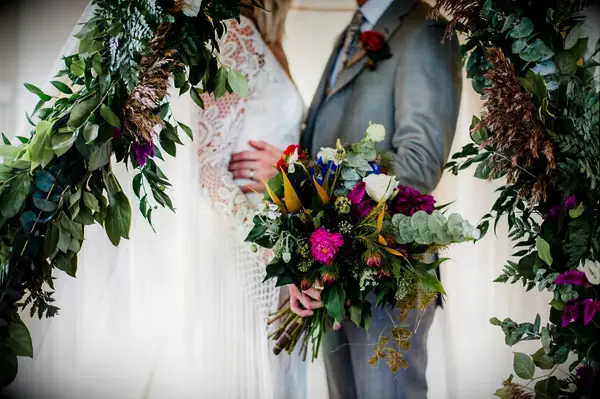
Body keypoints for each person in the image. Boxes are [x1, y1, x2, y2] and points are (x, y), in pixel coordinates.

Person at [7, 1, 306, 398]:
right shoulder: (229, 33)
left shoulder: (262, 37)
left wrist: (292, 187)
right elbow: (208, 164)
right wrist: (273, 249)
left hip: (271, 229)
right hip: (242, 242)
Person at [230, 0, 461, 398]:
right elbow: (321, 140)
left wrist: (296, 179)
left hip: (388, 278)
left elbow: (419, 168)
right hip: (333, 274)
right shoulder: (351, 32)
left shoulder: (425, 31)